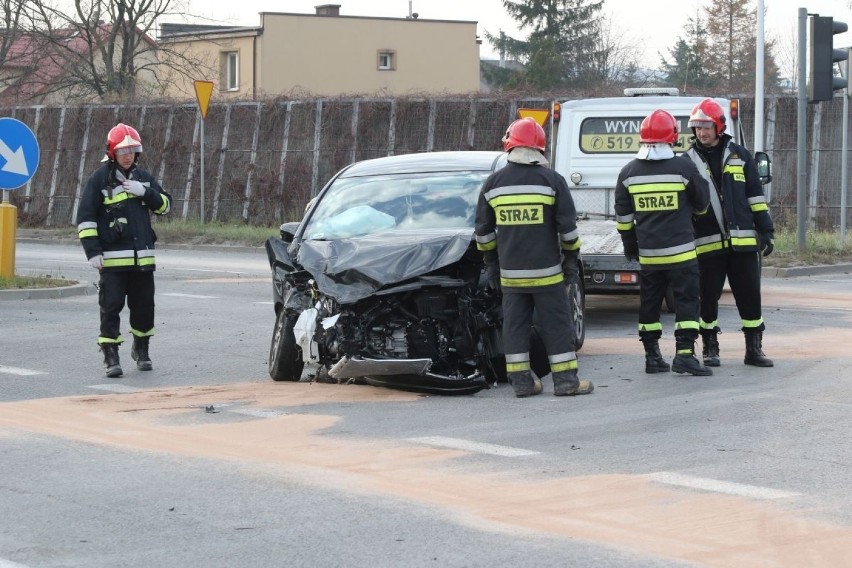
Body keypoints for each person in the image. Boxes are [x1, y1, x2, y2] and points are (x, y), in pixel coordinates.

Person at [475, 117, 593, 398]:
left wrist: (493, 267)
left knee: (514, 327)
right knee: (556, 325)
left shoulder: (493, 184)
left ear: (509, 146)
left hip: (511, 276)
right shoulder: (553, 181)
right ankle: (566, 383)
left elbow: (483, 233)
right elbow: (569, 232)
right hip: (548, 274)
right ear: (540, 148)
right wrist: (570, 264)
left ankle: (522, 384)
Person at [614, 109, 712, 376]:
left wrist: (630, 245)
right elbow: (702, 204)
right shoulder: (683, 167)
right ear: (672, 137)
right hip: (682, 255)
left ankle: (652, 357)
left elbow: (623, 218)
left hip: (650, 256)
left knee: (649, 303)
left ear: (642, 138)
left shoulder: (628, 173)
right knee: (687, 301)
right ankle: (685, 356)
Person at [683, 99, 775, 368]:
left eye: (707, 126)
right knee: (707, 300)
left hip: (744, 243)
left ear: (720, 126)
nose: (702, 132)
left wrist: (766, 230)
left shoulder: (741, 156)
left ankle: (753, 349)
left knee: (749, 297)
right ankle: (710, 347)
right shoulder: (686, 162)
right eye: (697, 127)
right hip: (707, 244)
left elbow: (755, 197)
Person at [76, 123, 172, 377]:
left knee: (144, 308)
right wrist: (92, 251)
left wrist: (147, 193)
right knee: (111, 307)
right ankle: (110, 355)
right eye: (123, 151)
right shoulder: (99, 180)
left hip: (143, 261)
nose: (128, 155)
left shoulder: (144, 178)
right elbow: (86, 219)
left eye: (132, 150)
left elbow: (165, 206)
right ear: (112, 153)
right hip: (112, 263)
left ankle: (141, 348)